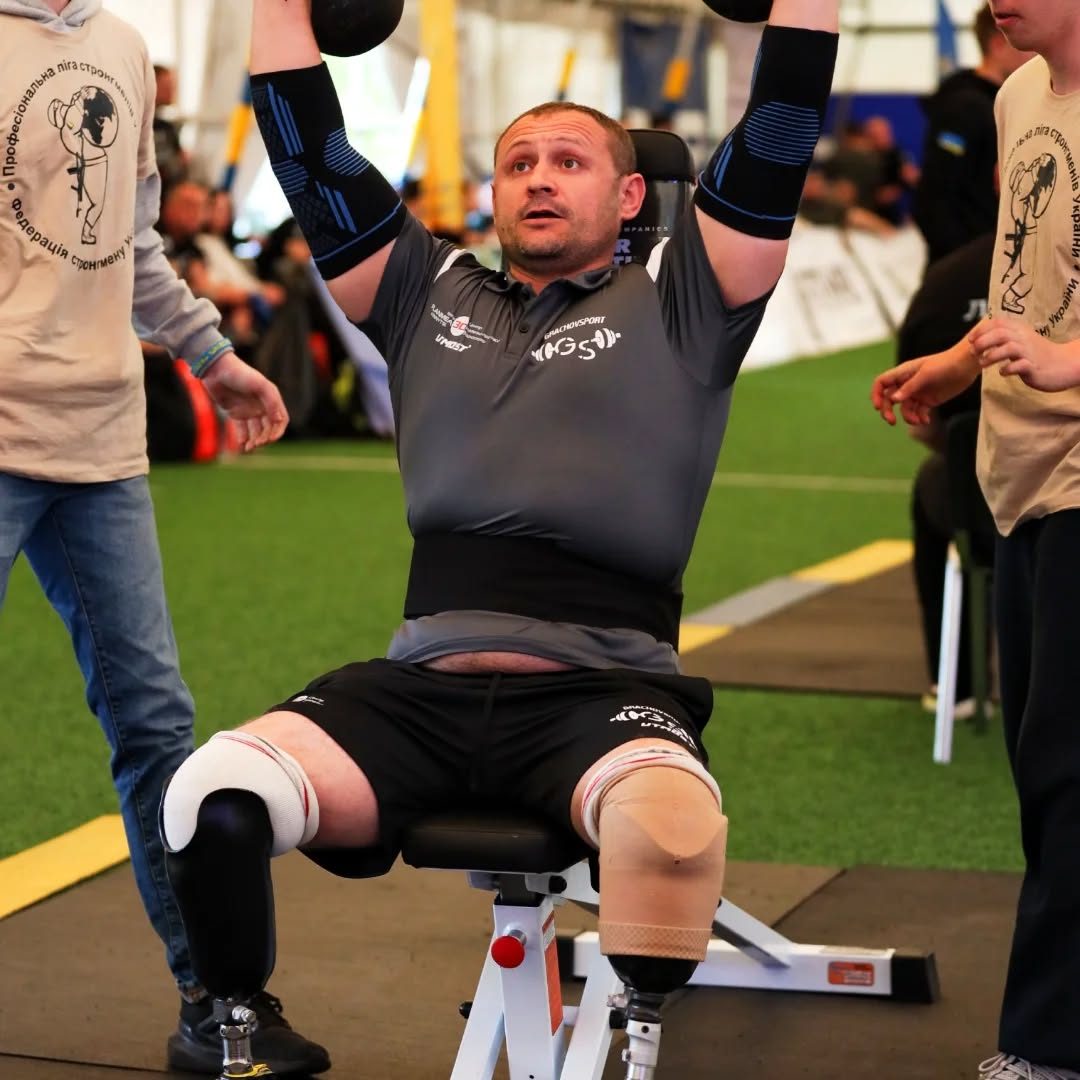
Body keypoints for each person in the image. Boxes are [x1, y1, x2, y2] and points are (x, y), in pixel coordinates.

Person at [159, 0, 839, 1072]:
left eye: (569, 161)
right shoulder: (422, 289)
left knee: (668, 829)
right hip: (419, 695)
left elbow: (782, 121)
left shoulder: (690, 294)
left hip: (599, 693)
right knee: (212, 800)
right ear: (492, 193)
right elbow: (309, 148)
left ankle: (635, 1044)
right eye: (518, 162)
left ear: (629, 197)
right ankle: (238, 1034)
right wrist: (282, 8)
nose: (538, 178)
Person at [0, 1, 330, 1075]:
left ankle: (219, 1004)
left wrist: (211, 354)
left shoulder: (125, 47)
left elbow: (130, 242)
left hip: (102, 439)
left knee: (155, 725)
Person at [871, 3, 1080, 1074]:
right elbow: (1021, 266)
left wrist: (1070, 363)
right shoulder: (1016, 95)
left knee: (1070, 776)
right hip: (1020, 470)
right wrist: (965, 363)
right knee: (1043, 777)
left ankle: (1045, 1044)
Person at [896, 232, 996, 716]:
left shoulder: (946, 278)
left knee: (939, 484)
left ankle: (954, 682)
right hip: (1054, 490)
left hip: (977, 491)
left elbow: (917, 413)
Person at [912, 2, 1033, 266]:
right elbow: (933, 200)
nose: (1036, 56)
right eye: (1026, 45)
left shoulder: (1009, 103)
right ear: (998, 44)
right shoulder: (965, 108)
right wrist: (971, 265)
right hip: (967, 269)